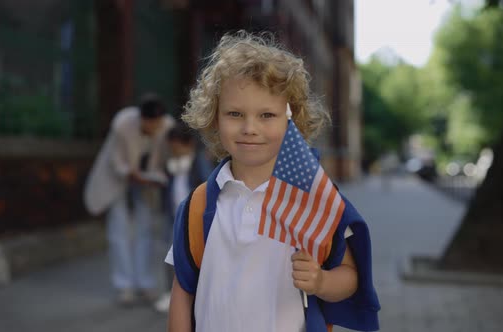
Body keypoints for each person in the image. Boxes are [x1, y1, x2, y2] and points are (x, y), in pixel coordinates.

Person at [165, 31, 379, 331]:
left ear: (292, 121)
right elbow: (183, 289)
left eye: (267, 115)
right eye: (235, 113)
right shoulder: (199, 204)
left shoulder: (314, 198)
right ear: (214, 117)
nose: (250, 128)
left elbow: (351, 276)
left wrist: (321, 281)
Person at [84, 93, 174, 305]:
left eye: (157, 122)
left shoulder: (167, 127)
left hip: (147, 183)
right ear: (141, 118)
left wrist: (153, 177)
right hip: (118, 180)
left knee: (145, 230)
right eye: (150, 122)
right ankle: (124, 285)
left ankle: (145, 283)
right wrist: (129, 173)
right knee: (118, 231)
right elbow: (114, 158)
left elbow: (164, 158)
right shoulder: (123, 123)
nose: (154, 127)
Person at [153, 122, 213, 313]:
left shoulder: (198, 162)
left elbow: (207, 186)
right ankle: (168, 293)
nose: (174, 151)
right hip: (173, 216)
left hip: (194, 218)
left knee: (195, 257)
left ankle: (196, 296)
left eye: (177, 146)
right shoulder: (172, 165)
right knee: (169, 255)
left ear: (187, 144)